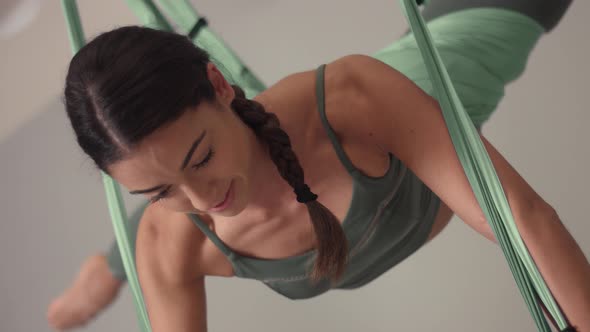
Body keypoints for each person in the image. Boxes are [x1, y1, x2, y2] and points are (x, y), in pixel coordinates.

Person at [48, 0, 589, 331]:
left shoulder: (354, 100)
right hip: (260, 138)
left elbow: (523, 221)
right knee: (174, 213)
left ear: (217, 85)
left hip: (436, 63)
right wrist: (186, 179)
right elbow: (184, 188)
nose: (201, 202)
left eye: (202, 158)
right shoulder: (172, 238)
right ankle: (107, 267)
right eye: (157, 190)